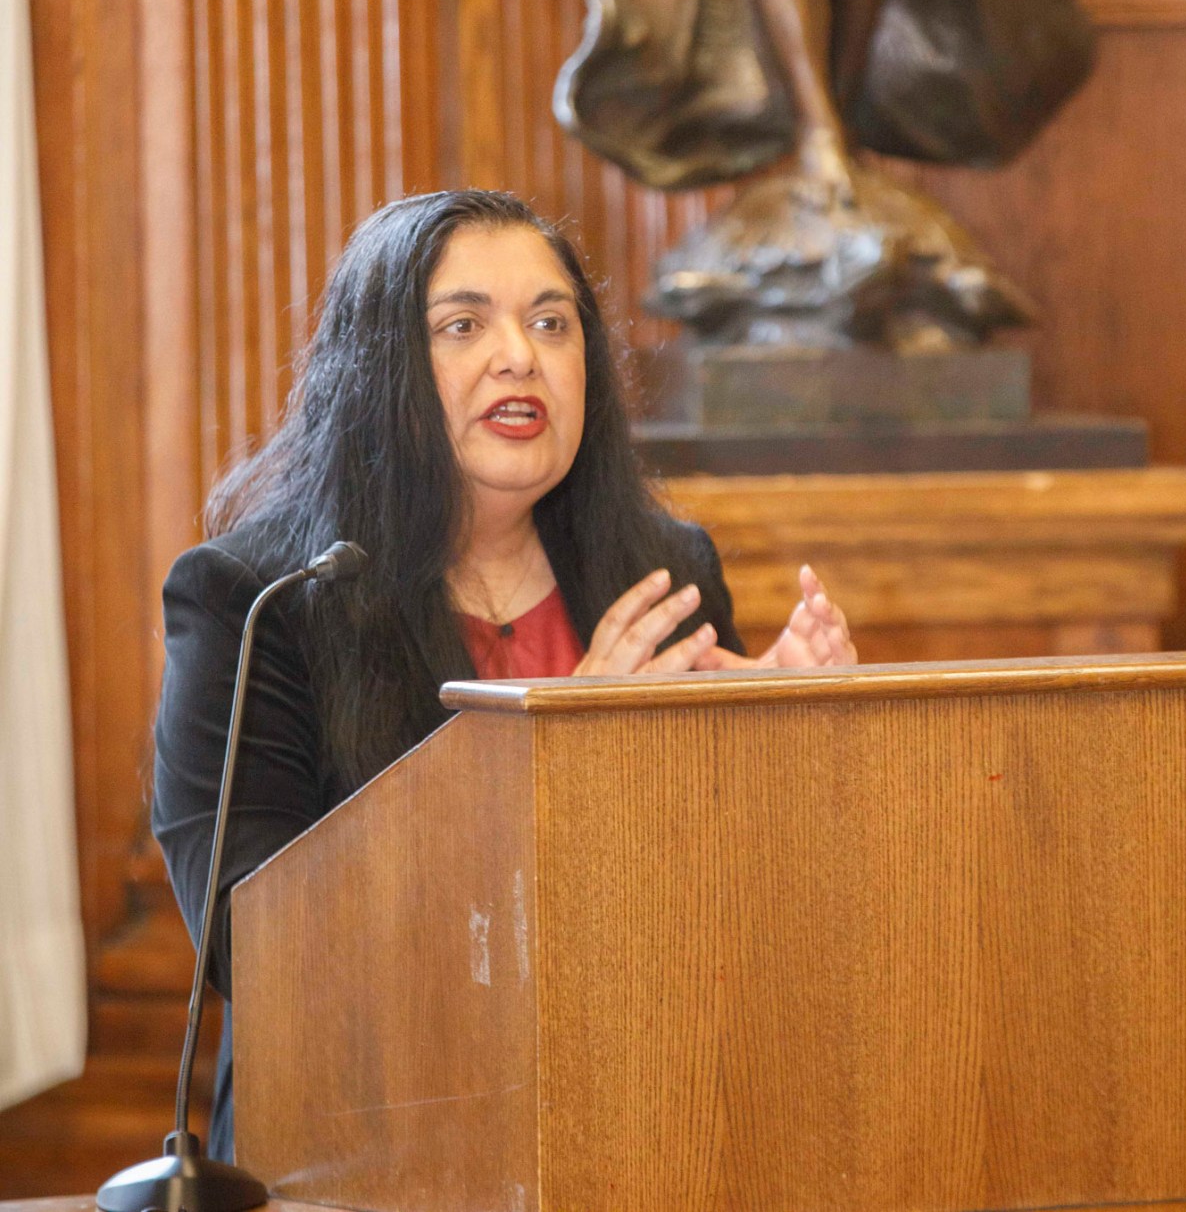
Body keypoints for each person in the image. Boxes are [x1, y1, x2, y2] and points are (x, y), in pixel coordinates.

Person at [152, 188, 855, 1157]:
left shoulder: (665, 573)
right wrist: (566, 748)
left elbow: (731, 914)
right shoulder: (257, 599)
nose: (519, 354)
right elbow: (255, 945)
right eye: (463, 322)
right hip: (359, 1141)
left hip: (638, 1119)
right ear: (380, 366)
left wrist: (791, 742)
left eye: (551, 321)